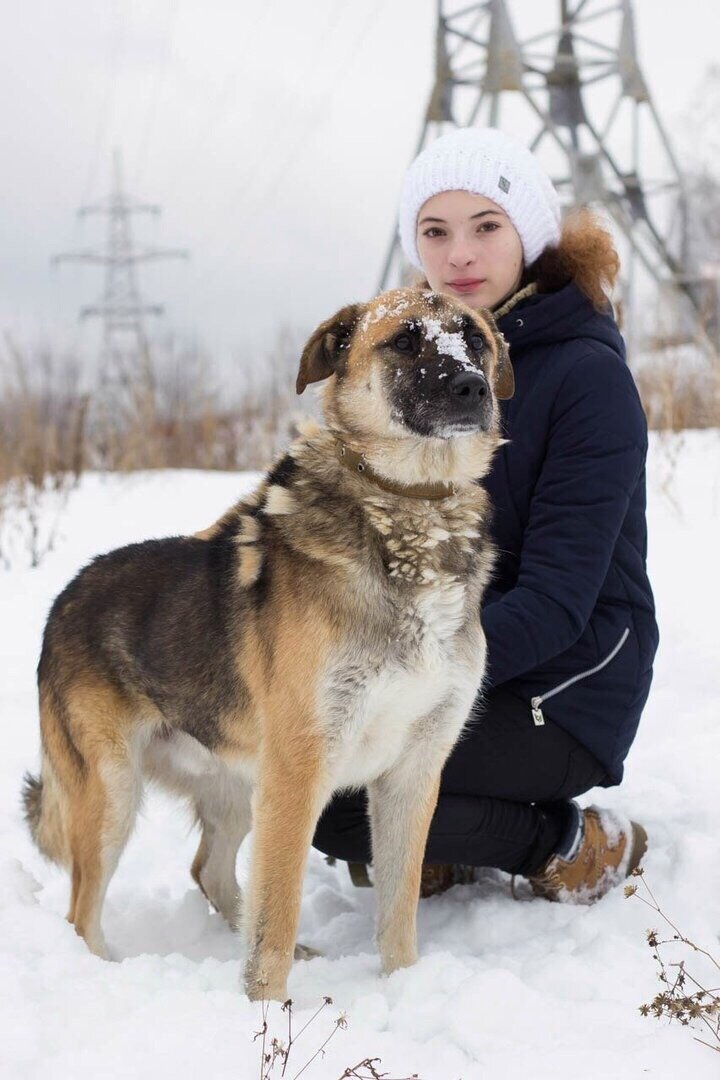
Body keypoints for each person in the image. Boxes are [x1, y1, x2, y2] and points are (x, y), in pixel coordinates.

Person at [312, 126, 659, 903]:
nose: (459, 255)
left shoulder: (586, 378)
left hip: (571, 683)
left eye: (485, 227)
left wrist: (405, 681)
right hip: (458, 660)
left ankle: (567, 842)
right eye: (435, 232)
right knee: (314, 775)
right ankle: (449, 831)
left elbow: (559, 602)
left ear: (527, 234)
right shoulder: (432, 372)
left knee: (353, 796)